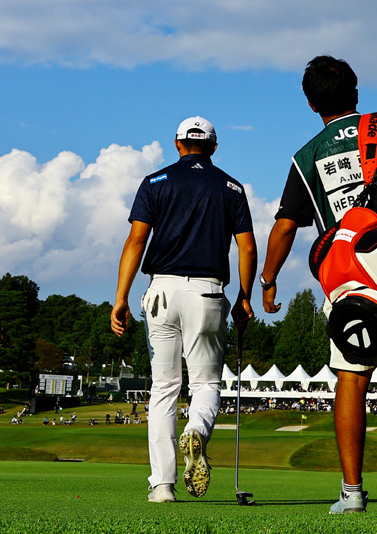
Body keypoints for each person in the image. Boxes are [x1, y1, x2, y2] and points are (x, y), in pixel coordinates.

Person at [259, 56, 377, 516]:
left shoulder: (307, 155)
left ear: (310, 104)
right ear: (357, 93)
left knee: (351, 374)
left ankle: (352, 493)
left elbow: (286, 226)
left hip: (356, 273)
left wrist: (267, 282)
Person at [111, 116, 257, 504]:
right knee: (206, 384)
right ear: (212, 147)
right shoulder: (231, 187)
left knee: (163, 389)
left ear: (177, 144)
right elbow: (246, 247)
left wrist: (121, 297)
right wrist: (245, 296)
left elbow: (136, 240)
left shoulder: (155, 182)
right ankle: (196, 428)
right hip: (208, 293)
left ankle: (163, 486)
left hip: (160, 291)